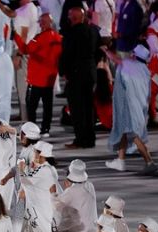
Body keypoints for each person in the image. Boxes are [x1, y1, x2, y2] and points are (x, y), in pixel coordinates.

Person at [103, 45, 158, 175]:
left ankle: (149, 161)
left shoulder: (129, 65)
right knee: (125, 129)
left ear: (134, 55)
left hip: (128, 104)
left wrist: (105, 50)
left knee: (132, 132)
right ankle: (120, 160)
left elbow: (117, 60)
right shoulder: (145, 69)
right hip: (139, 104)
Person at [58, 6, 100, 149]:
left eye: (70, 15)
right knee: (88, 108)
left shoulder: (71, 33)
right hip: (90, 73)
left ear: (74, 17)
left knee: (77, 109)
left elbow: (66, 55)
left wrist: (63, 71)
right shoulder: (94, 31)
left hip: (76, 75)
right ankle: (90, 139)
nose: (68, 17)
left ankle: (80, 139)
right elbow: (99, 51)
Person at [14, 12, 61, 136]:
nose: (39, 24)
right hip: (49, 79)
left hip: (36, 79)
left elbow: (25, 49)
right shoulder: (58, 38)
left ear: (43, 23)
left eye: (41, 22)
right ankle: (46, 129)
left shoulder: (39, 38)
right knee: (47, 106)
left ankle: (32, 129)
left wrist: (16, 37)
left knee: (31, 106)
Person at [17, 142, 58, 232]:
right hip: (39, 207)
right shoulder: (44, 168)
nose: (34, 155)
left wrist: (21, 169)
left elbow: (28, 181)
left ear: (42, 154)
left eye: (36, 153)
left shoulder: (46, 170)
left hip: (43, 208)